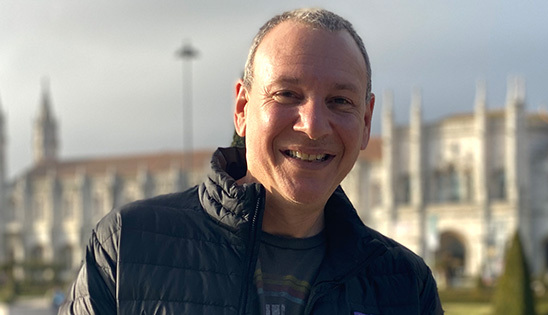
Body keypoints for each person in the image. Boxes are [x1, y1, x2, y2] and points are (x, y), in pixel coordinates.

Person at [60, 8, 443, 315]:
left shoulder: (406, 285)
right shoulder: (127, 246)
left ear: (365, 121)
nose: (312, 127)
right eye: (287, 94)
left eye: (340, 101)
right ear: (242, 108)